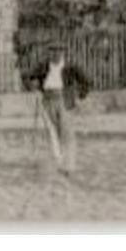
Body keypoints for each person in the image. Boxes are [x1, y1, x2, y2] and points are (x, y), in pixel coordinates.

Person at [25, 42, 90, 172]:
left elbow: (86, 81)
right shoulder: (43, 66)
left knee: (66, 131)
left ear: (63, 53)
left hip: (65, 100)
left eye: (59, 51)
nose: (56, 54)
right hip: (47, 100)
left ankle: (68, 163)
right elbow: (27, 76)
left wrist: (80, 97)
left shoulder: (70, 67)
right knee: (51, 130)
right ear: (49, 53)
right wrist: (33, 86)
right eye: (53, 51)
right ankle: (57, 159)